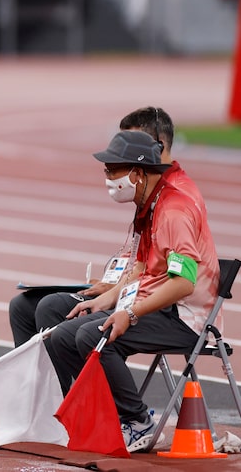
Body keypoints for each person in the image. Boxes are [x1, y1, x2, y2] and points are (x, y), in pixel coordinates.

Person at [46, 129, 219, 453]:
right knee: (64, 336)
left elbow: (184, 282)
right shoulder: (149, 206)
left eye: (113, 170)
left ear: (138, 173)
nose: (108, 178)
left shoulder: (172, 211)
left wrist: (129, 312)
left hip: (185, 318)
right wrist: (106, 300)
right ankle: (104, 417)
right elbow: (139, 271)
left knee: (91, 336)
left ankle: (137, 421)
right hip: (153, 305)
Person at [8, 106, 205, 348]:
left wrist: (126, 306)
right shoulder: (148, 196)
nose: (112, 173)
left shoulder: (175, 201)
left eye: (131, 145)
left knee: (65, 324)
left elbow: (180, 279)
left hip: (171, 310)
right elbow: (143, 265)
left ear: (157, 149)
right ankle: (43, 386)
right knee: (24, 306)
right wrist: (112, 288)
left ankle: (76, 386)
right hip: (137, 294)